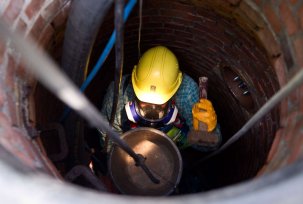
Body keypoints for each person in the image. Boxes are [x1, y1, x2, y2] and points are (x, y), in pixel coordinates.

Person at [100, 45, 221, 153]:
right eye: (144, 101)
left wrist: (206, 133)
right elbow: (109, 144)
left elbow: (208, 148)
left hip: (173, 148)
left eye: (160, 103)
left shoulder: (187, 92)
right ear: (133, 82)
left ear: (176, 89)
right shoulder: (118, 95)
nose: (151, 109)